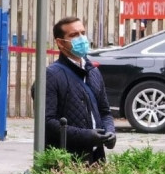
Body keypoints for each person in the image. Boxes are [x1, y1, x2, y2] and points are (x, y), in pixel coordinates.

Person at [44, 16, 116, 164]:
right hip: (67, 159)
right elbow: (48, 122)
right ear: (60, 42)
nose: (81, 38)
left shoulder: (93, 72)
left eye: (82, 33)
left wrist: (110, 132)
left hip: (96, 157)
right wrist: (86, 136)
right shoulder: (51, 75)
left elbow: (105, 112)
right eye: (74, 35)